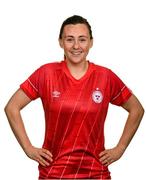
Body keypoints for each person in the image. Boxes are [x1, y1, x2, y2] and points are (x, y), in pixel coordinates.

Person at [5, 15, 144, 179]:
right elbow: (12, 107)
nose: (76, 46)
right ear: (60, 42)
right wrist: (28, 148)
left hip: (95, 172)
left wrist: (120, 148)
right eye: (70, 39)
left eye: (82, 40)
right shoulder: (46, 74)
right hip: (54, 173)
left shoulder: (105, 77)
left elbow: (137, 109)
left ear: (91, 42)